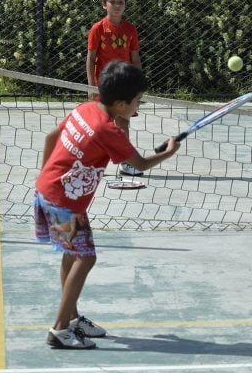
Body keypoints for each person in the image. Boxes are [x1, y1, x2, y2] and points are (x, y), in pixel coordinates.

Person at [35, 61, 180, 349]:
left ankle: (72, 319)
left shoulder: (86, 109)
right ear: (121, 103)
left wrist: (45, 176)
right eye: (137, 101)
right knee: (86, 258)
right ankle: (60, 329)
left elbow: (51, 137)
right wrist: (169, 152)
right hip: (65, 203)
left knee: (72, 254)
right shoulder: (108, 131)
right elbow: (138, 163)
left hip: (49, 191)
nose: (138, 107)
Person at [86, 0, 143, 176]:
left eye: (121, 2)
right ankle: (90, 163)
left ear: (125, 5)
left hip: (125, 84)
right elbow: (91, 59)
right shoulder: (98, 29)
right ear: (104, 5)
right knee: (100, 125)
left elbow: (135, 60)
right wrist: (90, 86)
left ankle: (126, 162)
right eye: (112, 2)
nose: (117, 5)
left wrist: (137, 85)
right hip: (104, 85)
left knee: (123, 123)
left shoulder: (130, 29)